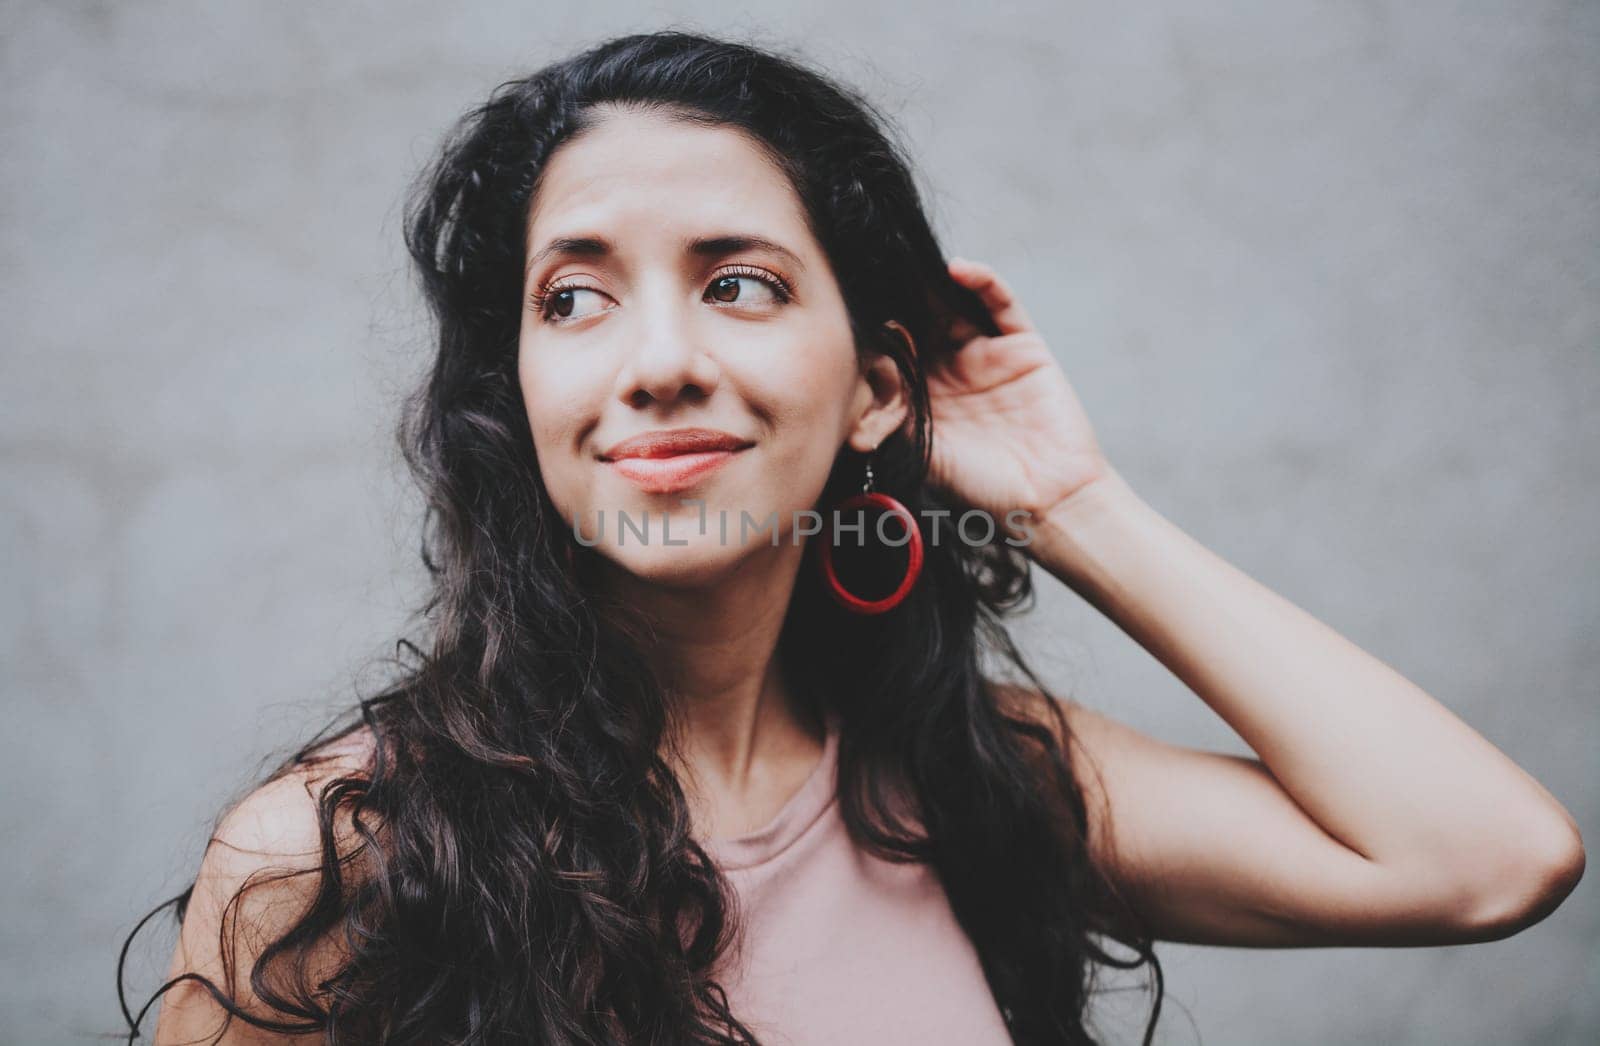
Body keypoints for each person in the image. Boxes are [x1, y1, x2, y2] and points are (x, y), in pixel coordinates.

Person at [120, 30, 1585, 1046]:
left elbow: (1486, 859)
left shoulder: (972, 782)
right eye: (573, 298)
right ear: (521, 395)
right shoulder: (341, 858)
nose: (657, 360)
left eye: (739, 283)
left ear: (878, 386)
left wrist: (1068, 503)